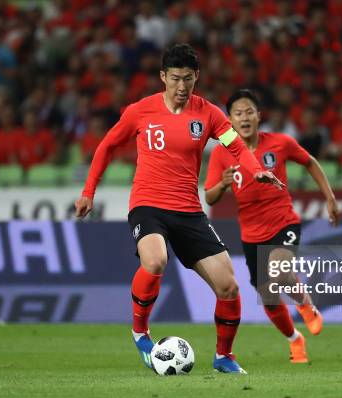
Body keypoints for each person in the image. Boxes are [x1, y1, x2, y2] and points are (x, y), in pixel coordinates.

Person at [74, 44, 283, 374]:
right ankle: (140, 332)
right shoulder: (140, 111)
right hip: (148, 204)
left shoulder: (209, 113)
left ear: (196, 76)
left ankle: (223, 356)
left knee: (228, 285)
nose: (182, 87)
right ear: (163, 77)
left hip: (188, 211)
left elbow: (236, 145)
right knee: (155, 261)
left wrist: (255, 167)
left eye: (188, 79)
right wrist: (88, 192)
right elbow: (108, 146)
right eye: (175, 79)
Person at [205, 89, 339, 363]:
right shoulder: (222, 154)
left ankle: (305, 305)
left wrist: (329, 196)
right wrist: (223, 184)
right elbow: (209, 196)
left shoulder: (280, 143)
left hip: (283, 222)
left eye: (249, 112)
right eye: (238, 113)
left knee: (279, 270)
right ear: (229, 120)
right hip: (251, 234)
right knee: (268, 296)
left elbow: (310, 162)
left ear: (258, 116)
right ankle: (295, 340)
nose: (244, 118)